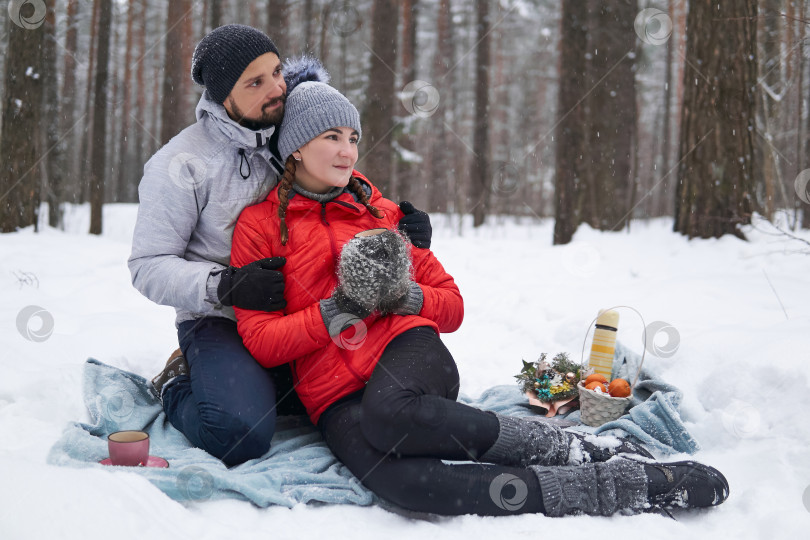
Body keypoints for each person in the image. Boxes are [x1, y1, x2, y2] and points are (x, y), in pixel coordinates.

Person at [229, 58, 730, 516]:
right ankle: (615, 486)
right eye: (331, 137)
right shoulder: (258, 228)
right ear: (295, 145)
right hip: (331, 395)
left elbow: (452, 307)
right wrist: (341, 309)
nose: (348, 150)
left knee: (390, 416)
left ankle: (563, 448)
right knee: (409, 487)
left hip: (407, 351)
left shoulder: (382, 215)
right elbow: (263, 342)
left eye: (353, 137)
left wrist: (402, 297)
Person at [127, 25, 432, 467]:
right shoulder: (179, 165)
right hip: (222, 318)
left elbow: (339, 177)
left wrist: (400, 224)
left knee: (369, 396)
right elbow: (146, 266)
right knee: (238, 434)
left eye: (276, 72)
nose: (276, 89)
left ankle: (266, 387)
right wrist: (224, 286)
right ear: (222, 96)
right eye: (256, 83)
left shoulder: (286, 125)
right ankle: (178, 383)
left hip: (302, 311)